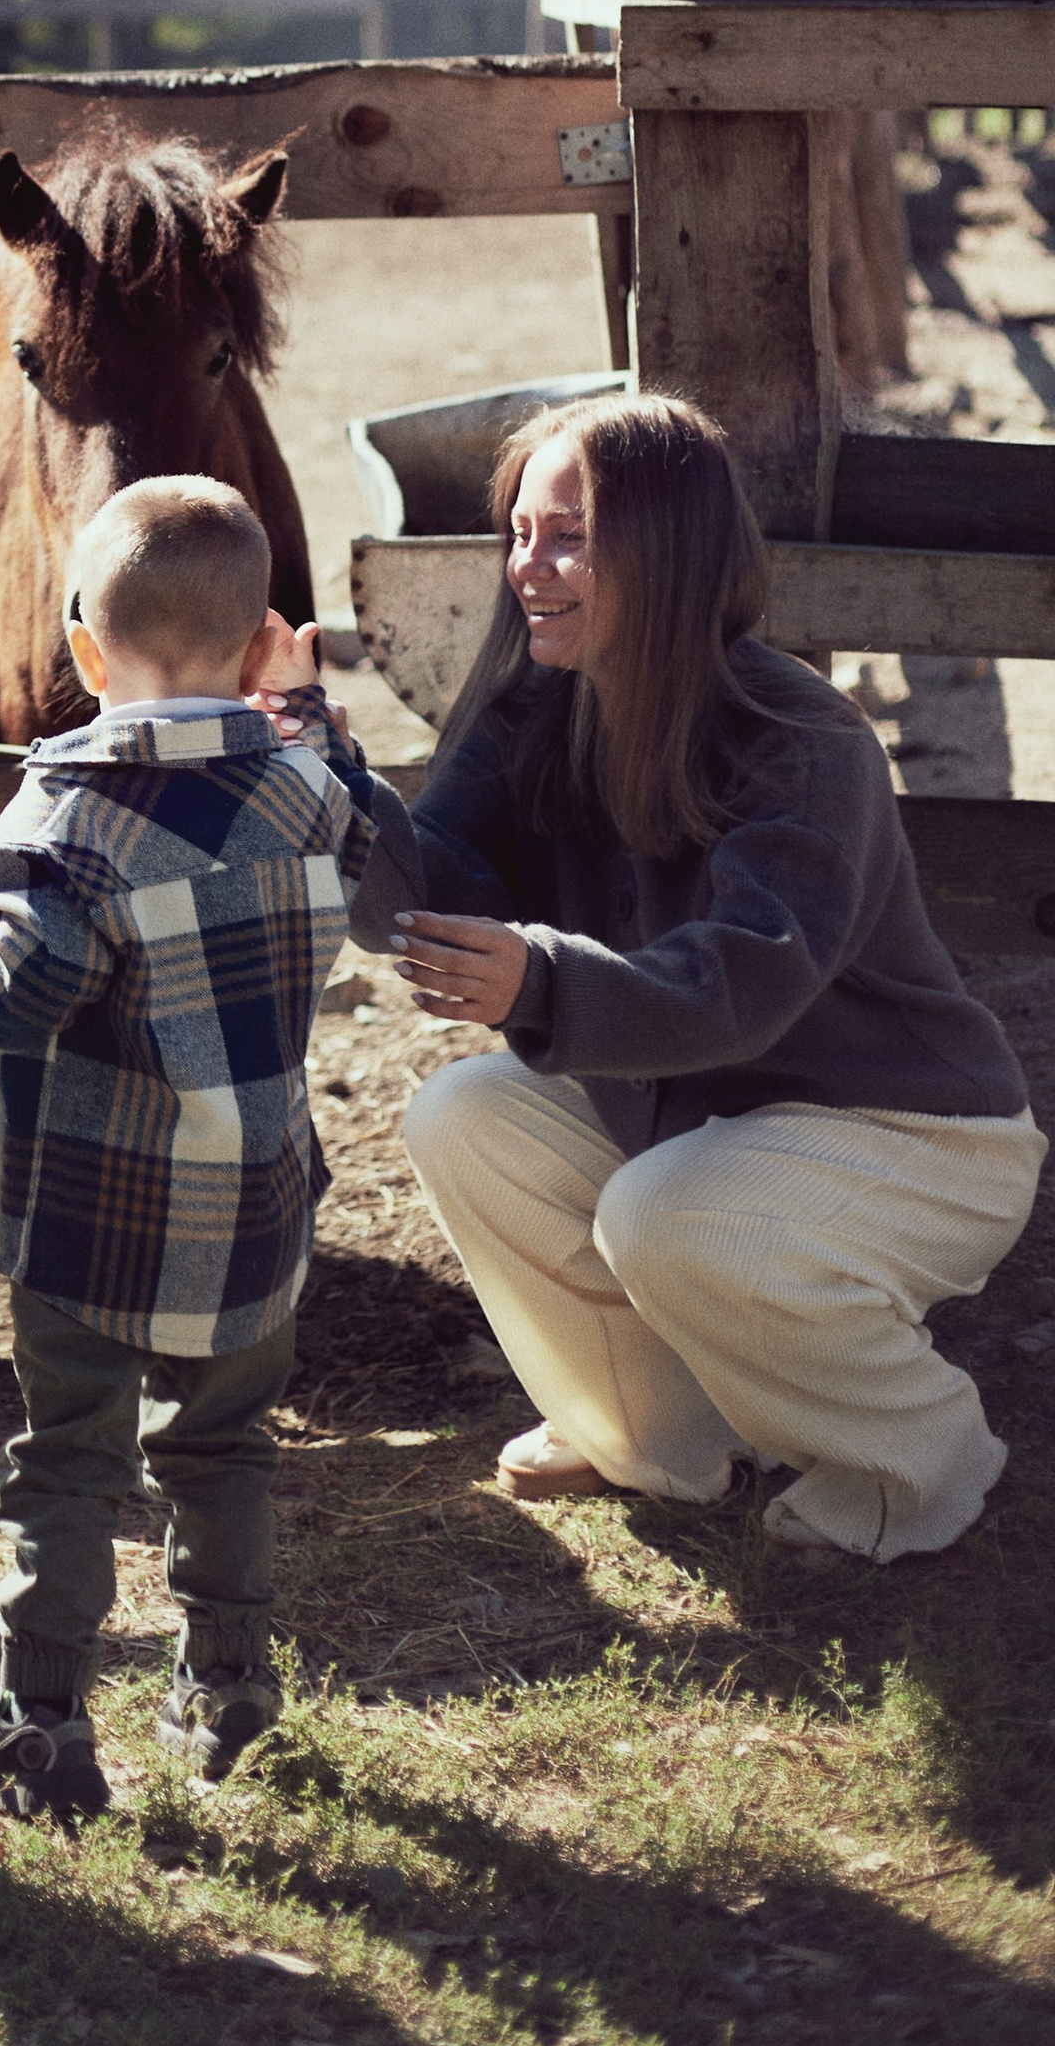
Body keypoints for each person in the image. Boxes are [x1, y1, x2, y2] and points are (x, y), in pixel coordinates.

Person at [363, 390, 1043, 1562]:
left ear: (666, 549)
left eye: (568, 536)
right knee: (461, 1115)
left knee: (662, 1215)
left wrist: (541, 983)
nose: (528, 566)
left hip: (912, 1135)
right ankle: (656, 1435)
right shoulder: (535, 706)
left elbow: (742, 982)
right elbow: (425, 890)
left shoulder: (801, 738)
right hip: (699, 1118)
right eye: (519, 534)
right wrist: (314, 780)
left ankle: (916, 1457)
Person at [0, 472, 389, 1822]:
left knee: (71, 1457)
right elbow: (368, 829)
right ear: (256, 651)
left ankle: (39, 1721)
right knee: (224, 1445)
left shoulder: (65, 824)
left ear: (84, 650)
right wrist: (302, 713)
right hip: (256, 1208)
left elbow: (12, 999)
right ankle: (228, 1686)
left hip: (94, 1220)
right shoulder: (304, 791)